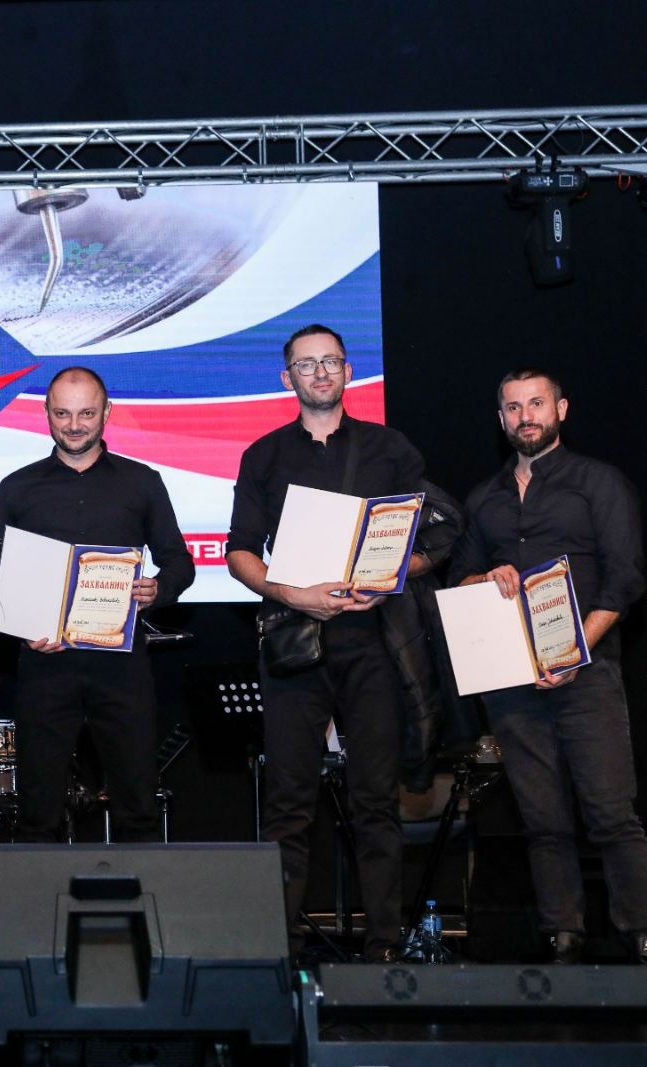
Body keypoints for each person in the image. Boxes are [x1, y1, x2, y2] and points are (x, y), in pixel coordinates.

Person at [225, 324, 430, 962]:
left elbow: (432, 540)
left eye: (330, 362)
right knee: (288, 802)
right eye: (306, 364)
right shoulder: (263, 455)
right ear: (286, 378)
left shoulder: (390, 449)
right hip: (296, 644)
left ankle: (384, 945)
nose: (320, 373)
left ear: (348, 371)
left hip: (373, 643)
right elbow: (238, 553)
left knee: (376, 798)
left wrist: (390, 578)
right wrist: (290, 593)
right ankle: (281, 947)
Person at [451, 368, 647, 963]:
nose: (526, 416)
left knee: (609, 810)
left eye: (537, 403)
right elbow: (458, 578)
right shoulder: (483, 498)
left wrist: (577, 651)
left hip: (586, 674)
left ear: (561, 409)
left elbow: (625, 579)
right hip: (511, 680)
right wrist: (484, 577)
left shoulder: (599, 482)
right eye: (514, 407)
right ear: (501, 418)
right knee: (542, 818)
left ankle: (645, 933)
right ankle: (561, 932)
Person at [0, 367, 194, 844]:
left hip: (122, 667)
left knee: (137, 804)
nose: (74, 425)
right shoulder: (17, 487)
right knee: (38, 811)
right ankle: (42, 894)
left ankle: (141, 893)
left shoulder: (142, 482)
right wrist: (19, 625)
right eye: (62, 413)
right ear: (46, 413)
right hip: (44, 664)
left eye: (86, 413)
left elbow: (180, 562)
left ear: (107, 412)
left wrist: (158, 589)